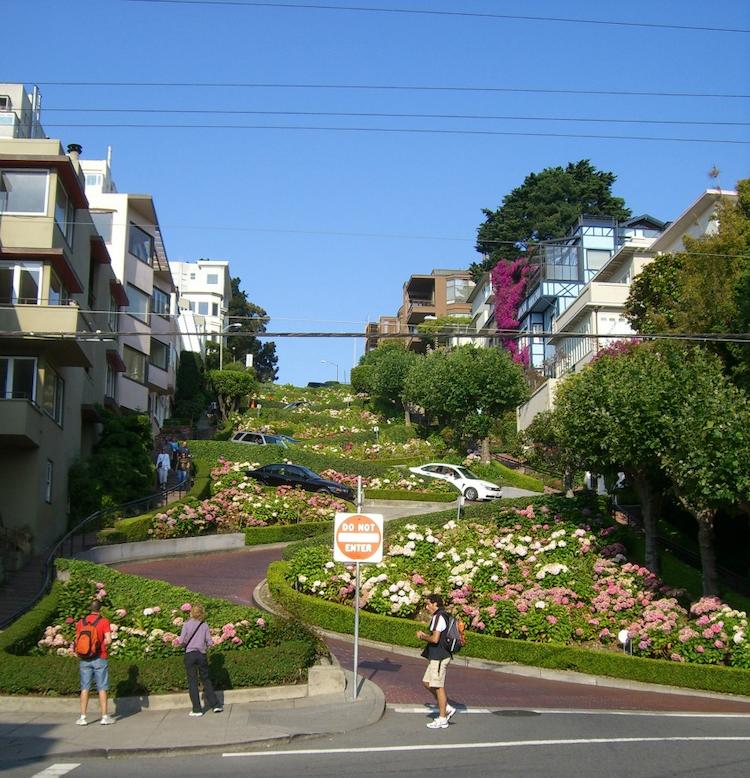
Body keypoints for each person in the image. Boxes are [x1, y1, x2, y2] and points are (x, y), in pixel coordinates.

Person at [416, 594, 456, 730]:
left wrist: (422, 636)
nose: (427, 607)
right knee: (427, 682)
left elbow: (435, 639)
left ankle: (442, 718)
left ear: (435, 604)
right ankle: (446, 707)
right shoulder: (443, 615)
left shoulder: (438, 617)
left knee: (438, 686)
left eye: (428, 604)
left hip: (439, 657)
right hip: (437, 657)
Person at [176, 603, 222, 716]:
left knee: (192, 682)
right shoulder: (204, 625)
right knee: (206, 679)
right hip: (201, 655)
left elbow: (181, 640)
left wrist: (179, 643)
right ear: (202, 613)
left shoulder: (186, 624)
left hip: (190, 654)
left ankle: (197, 709)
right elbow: (209, 641)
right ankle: (215, 705)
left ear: (191, 612)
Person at [76, 600, 115, 726]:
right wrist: (100, 643)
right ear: (100, 609)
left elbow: (78, 640)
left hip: (84, 658)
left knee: (84, 687)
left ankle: (82, 717)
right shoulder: (104, 621)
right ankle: (104, 717)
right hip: (100, 657)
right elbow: (108, 640)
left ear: (89, 608)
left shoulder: (81, 622)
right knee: (102, 687)